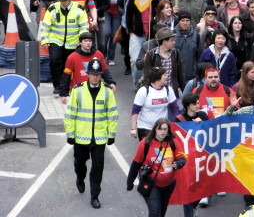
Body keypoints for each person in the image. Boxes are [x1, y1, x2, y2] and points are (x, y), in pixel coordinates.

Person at [64, 57, 118, 209]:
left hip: (99, 138)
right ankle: (80, 179)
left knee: (97, 168)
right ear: (87, 74)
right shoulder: (77, 90)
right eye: (93, 74)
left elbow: (112, 115)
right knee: (79, 164)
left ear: (101, 75)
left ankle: (95, 195)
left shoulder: (107, 92)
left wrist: (111, 134)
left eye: (98, 74)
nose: (95, 77)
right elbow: (70, 114)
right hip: (81, 136)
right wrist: (70, 134)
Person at [126, 118, 186, 217]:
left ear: (168, 130)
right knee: (155, 213)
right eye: (160, 129)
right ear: (155, 129)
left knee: (162, 211)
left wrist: (179, 163)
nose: (162, 131)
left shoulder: (173, 142)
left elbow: (182, 159)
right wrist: (130, 182)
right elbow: (136, 164)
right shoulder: (145, 144)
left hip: (168, 184)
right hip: (151, 183)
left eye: (165, 129)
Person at [41, 0, 89, 94]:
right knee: (54, 60)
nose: (63, 2)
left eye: (65, 0)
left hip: (73, 43)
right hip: (56, 40)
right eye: (61, 0)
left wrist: (81, 41)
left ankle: (66, 87)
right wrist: (45, 40)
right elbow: (45, 26)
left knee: (68, 66)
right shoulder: (52, 9)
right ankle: (57, 85)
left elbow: (84, 26)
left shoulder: (79, 9)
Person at [59, 31, 115, 103]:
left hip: (95, 91)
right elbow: (66, 76)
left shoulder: (98, 55)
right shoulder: (72, 57)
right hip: (78, 93)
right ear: (80, 43)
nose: (88, 43)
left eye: (90, 41)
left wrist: (111, 82)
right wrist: (63, 94)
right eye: (85, 41)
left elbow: (104, 71)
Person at [131, 67, 180, 140]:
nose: (167, 77)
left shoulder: (168, 89)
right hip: (145, 128)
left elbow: (175, 109)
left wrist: (177, 125)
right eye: (164, 75)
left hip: (162, 129)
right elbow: (135, 111)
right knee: (148, 150)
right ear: (158, 77)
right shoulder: (144, 91)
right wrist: (133, 128)